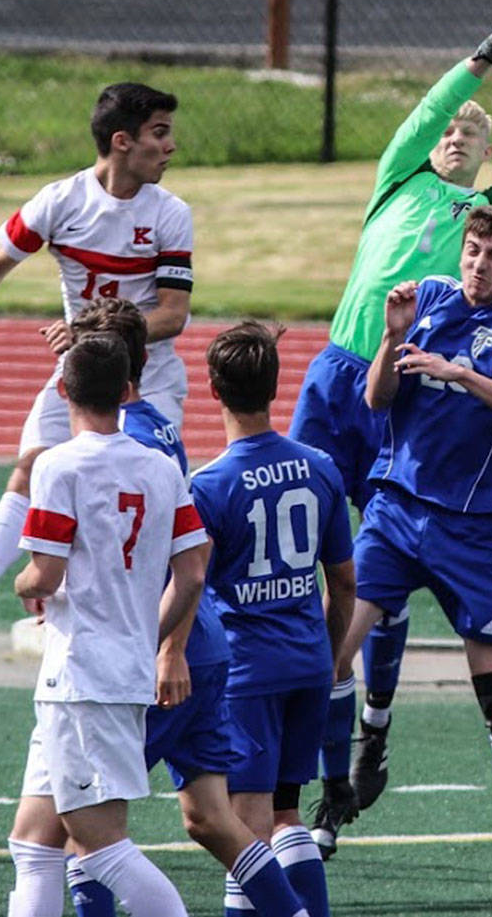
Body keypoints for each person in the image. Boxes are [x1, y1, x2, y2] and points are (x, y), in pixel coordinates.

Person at [288, 0, 492, 852]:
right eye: (450, 129)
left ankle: (370, 733)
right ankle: (326, 775)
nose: (456, 134)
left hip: (407, 393)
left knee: (372, 573)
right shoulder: (399, 179)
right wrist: (487, 52)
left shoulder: (487, 217)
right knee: (321, 577)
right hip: (338, 375)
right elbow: (427, 111)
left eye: (473, 133)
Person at [334, 206, 492, 915]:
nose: (481, 264)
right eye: (473, 250)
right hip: (396, 510)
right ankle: (335, 786)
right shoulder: (425, 296)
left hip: (474, 527)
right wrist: (393, 340)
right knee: (329, 657)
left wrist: (459, 373)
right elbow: (377, 396)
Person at [58, 303, 310, 917]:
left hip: (165, 655)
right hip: (213, 649)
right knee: (211, 818)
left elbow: (179, 560)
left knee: (78, 828)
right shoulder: (158, 426)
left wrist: (168, 648)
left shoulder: (124, 446)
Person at [0, 82, 194, 638]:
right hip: (81, 370)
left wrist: (98, 331)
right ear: (122, 141)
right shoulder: (60, 201)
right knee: (32, 467)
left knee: (140, 489)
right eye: (159, 134)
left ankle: (163, 623)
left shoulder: (170, 214)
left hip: (149, 382)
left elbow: (174, 313)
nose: (170, 147)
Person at [2, 333, 209, 917]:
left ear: (63, 389)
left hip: (84, 676)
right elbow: (192, 572)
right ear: (126, 391)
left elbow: (42, 577)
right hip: (103, 671)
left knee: (101, 847)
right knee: (33, 844)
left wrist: (19, 584)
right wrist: (148, 635)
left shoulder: (58, 466)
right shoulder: (161, 468)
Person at [188, 321, 358, 917]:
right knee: (288, 815)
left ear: (213, 388)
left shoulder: (208, 486)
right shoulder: (319, 468)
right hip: (309, 661)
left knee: (246, 826)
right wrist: (332, 655)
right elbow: (342, 580)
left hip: (248, 675)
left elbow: (191, 589)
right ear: (276, 386)